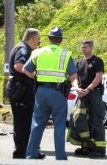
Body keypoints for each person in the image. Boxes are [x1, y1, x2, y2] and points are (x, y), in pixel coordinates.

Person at [22, 27, 82, 160]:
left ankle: (31, 154)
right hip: (58, 93)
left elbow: (25, 70)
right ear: (61, 40)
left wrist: (36, 78)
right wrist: (76, 88)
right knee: (59, 125)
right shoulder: (65, 54)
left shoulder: (37, 52)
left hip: (41, 92)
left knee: (37, 123)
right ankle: (60, 156)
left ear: (49, 39)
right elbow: (73, 75)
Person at [6, 28, 40, 159]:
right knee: (22, 121)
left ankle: (24, 149)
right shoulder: (24, 49)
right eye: (37, 39)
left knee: (23, 121)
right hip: (21, 89)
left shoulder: (20, 47)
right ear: (31, 38)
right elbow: (18, 66)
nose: (38, 41)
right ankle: (21, 151)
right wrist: (32, 75)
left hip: (19, 88)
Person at [69, 40, 106, 158]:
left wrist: (88, 89)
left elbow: (98, 77)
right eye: (81, 47)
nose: (82, 49)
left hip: (94, 93)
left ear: (91, 48)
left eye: (85, 47)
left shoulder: (97, 61)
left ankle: (100, 150)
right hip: (81, 94)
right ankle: (86, 147)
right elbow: (74, 77)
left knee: (96, 120)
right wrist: (77, 89)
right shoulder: (79, 62)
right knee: (80, 119)